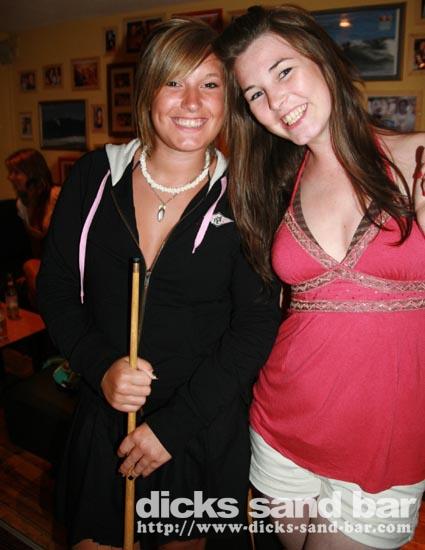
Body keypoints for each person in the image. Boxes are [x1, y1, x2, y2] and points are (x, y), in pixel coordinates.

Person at [37, 18, 281, 550]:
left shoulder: (246, 194)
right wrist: (99, 365)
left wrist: (175, 426)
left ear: (229, 98)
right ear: (148, 90)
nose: (192, 102)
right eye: (174, 82)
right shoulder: (95, 177)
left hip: (198, 431)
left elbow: (257, 323)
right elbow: (55, 287)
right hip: (106, 423)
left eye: (210, 84)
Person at [214, 5, 425, 550]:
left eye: (284, 70)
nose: (276, 101)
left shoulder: (416, 159)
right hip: (281, 427)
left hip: (384, 445)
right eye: (256, 94)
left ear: (324, 58)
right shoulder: (274, 185)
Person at [5, 148, 60, 306]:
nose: (10, 177)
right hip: (43, 265)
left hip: (65, 263)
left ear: (32, 173)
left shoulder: (56, 197)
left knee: (30, 267)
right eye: (11, 172)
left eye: (16, 173)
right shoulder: (22, 205)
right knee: (29, 267)